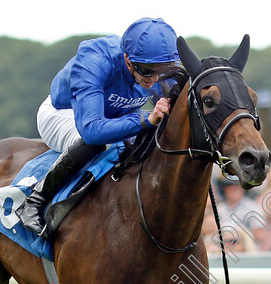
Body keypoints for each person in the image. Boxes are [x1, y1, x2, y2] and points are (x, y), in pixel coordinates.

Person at [17, 17, 180, 239]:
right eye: (147, 71)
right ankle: (35, 201)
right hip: (67, 113)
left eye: (163, 71)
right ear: (127, 60)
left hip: (115, 115)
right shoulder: (95, 60)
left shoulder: (156, 67)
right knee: (98, 145)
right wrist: (146, 120)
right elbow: (91, 130)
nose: (155, 79)